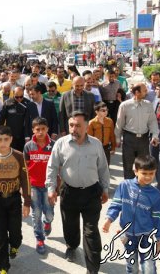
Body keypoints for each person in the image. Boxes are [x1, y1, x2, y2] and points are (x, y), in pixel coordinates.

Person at [46, 111, 109, 274]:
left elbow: (103, 168)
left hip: (91, 193)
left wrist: (105, 188)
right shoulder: (60, 144)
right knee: (70, 225)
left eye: (78, 125)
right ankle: (72, 246)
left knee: (91, 232)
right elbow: (52, 167)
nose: (74, 129)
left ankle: (92, 268)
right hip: (69, 192)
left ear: (87, 126)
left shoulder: (96, 144)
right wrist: (51, 188)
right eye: (71, 125)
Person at [0, 125, 31, 274]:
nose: (2, 142)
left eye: (6, 139)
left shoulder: (18, 156)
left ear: (11, 140)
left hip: (14, 199)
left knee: (15, 232)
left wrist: (27, 202)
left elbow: (25, 179)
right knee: (1, 235)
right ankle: (3, 266)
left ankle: (15, 245)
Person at [103, 155, 160, 274]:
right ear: (135, 171)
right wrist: (109, 220)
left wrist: (158, 239)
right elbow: (116, 204)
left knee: (149, 268)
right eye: (144, 173)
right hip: (128, 236)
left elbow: (159, 218)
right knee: (132, 267)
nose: (148, 177)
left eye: (151, 173)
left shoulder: (156, 195)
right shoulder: (124, 186)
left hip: (147, 237)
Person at [23, 117, 55, 255]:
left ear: (47, 129)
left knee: (49, 212)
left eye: (43, 129)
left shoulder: (54, 145)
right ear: (33, 130)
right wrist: (23, 186)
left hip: (49, 185)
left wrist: (56, 188)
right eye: (37, 130)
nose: (40, 132)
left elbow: (58, 167)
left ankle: (47, 222)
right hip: (33, 185)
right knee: (35, 214)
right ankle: (39, 239)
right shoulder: (28, 146)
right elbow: (24, 166)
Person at [115, 82, 160, 179]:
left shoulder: (148, 105)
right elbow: (119, 123)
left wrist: (155, 135)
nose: (146, 92)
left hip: (143, 140)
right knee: (128, 165)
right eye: (144, 90)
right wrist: (117, 138)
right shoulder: (124, 105)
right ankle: (129, 188)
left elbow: (152, 122)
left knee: (143, 165)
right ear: (137, 92)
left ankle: (141, 188)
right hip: (129, 139)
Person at [0, 86, 29, 151]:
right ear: (13, 94)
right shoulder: (7, 103)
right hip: (10, 135)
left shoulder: (27, 103)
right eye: (17, 97)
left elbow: (29, 121)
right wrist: (0, 133)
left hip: (23, 135)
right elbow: (1, 119)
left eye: (21, 96)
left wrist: (28, 136)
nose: (19, 99)